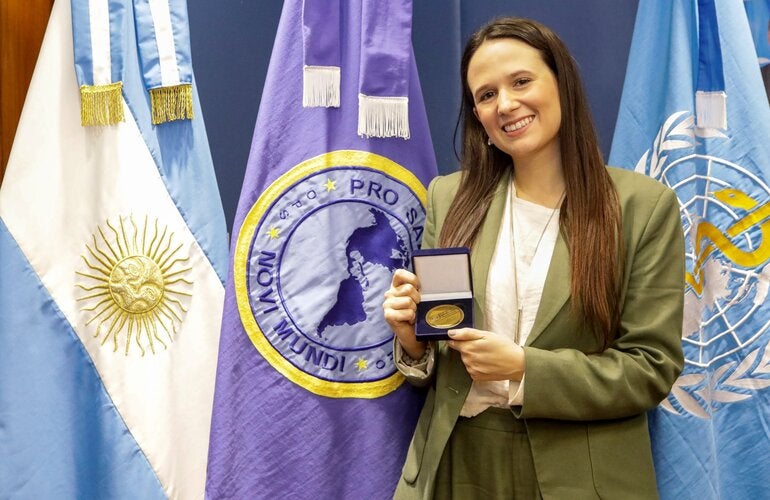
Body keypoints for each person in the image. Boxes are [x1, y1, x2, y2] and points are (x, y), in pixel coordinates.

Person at [383, 17, 685, 499]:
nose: (505, 104)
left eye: (521, 82)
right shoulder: (448, 197)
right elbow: (442, 350)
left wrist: (524, 367)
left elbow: (650, 369)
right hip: (457, 461)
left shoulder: (642, 207)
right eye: (485, 95)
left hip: (581, 474)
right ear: (477, 117)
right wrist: (412, 342)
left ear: (561, 83)